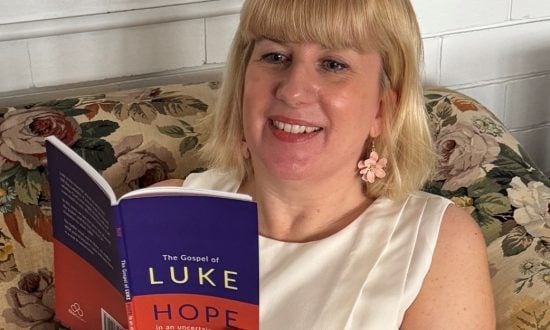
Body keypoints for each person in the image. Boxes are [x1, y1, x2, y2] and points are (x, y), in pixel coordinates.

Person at [159, 0, 496, 328]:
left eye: (333, 64)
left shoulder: (436, 244)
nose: (293, 91)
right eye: (275, 56)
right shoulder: (162, 213)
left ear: (382, 109)